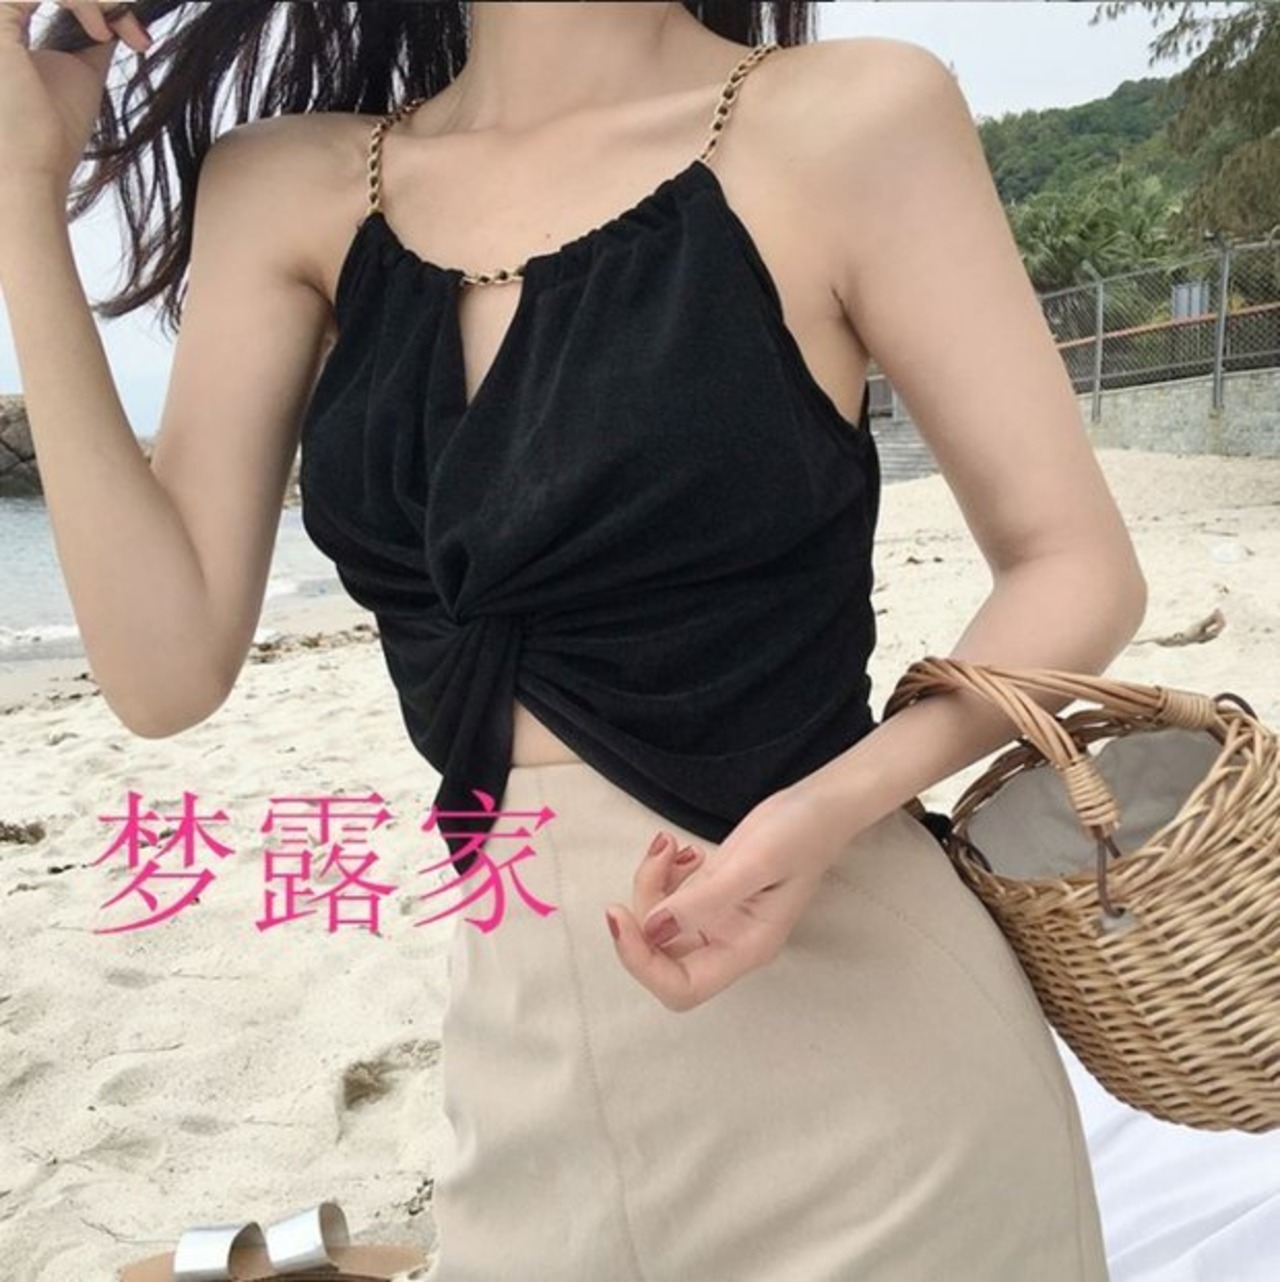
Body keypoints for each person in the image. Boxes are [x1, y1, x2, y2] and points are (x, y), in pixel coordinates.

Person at [0, 2, 1147, 1277]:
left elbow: (1073, 567)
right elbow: (160, 675)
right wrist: (20, 191)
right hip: (523, 1070)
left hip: (877, 1076)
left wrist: (826, 809)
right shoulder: (283, 186)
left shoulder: (848, 119)